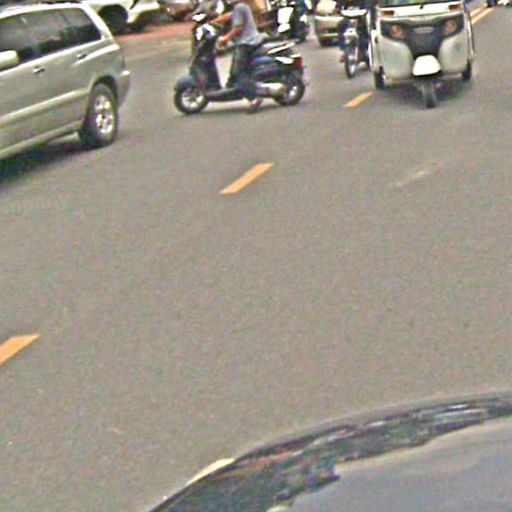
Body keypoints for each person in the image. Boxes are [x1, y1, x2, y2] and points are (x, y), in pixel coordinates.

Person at [213, 0, 266, 112]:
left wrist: (225, 38)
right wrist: (213, 22)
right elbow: (229, 16)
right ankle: (231, 88)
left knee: (238, 71)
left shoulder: (239, 7)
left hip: (246, 43)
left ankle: (254, 98)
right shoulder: (241, 7)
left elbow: (238, 28)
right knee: (234, 66)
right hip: (249, 41)